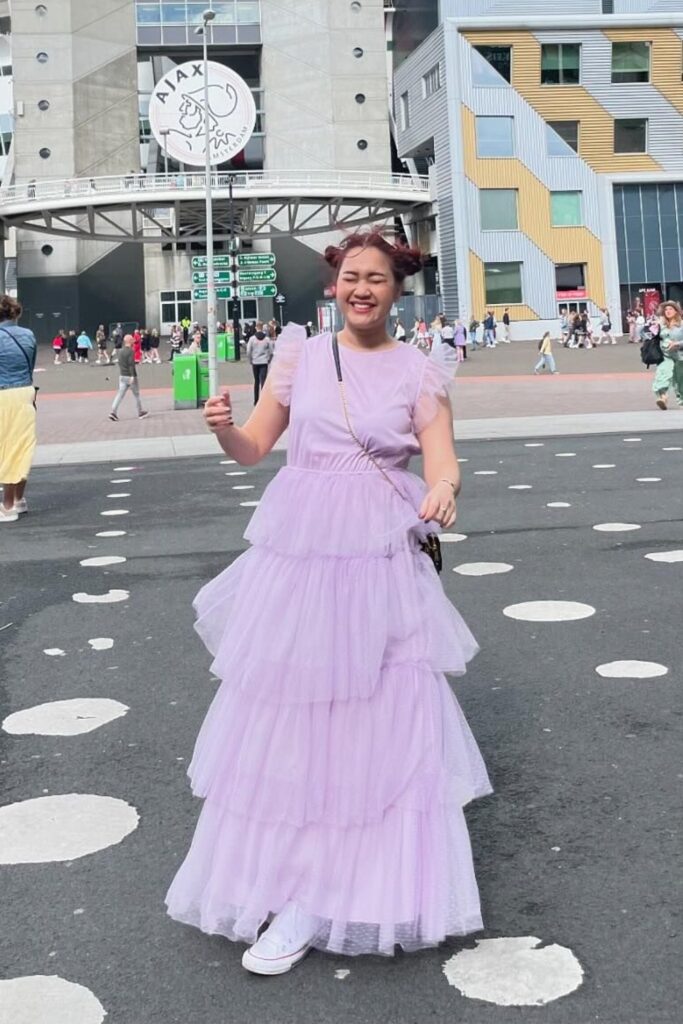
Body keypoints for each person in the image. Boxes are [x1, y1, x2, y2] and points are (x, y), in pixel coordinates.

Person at [166, 229, 492, 976]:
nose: (362, 290)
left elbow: (442, 462)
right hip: (300, 563)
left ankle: (343, 886)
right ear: (333, 284)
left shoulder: (419, 370)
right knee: (292, 723)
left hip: (378, 561)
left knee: (375, 722)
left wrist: (441, 491)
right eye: (351, 277)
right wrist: (221, 430)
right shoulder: (299, 356)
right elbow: (255, 447)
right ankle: (286, 881)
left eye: (377, 278)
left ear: (397, 289)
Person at [0, 295, 38, 523]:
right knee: (22, 446)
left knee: (6, 448)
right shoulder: (29, 335)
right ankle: (19, 499)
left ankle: (6, 505)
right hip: (26, 392)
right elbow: (30, 365)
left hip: (3, 394)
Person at [109, 334, 148, 421]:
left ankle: (113, 412)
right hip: (130, 376)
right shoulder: (131, 351)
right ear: (130, 342)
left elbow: (120, 363)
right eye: (132, 341)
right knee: (136, 395)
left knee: (120, 395)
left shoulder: (120, 351)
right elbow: (131, 365)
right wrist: (132, 376)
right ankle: (140, 412)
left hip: (122, 376)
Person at [655, 301, 683, 410]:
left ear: (676, 311)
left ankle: (681, 401)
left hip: (680, 356)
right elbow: (655, 337)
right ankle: (663, 397)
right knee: (663, 374)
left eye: (670, 309)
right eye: (666, 310)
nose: (668, 311)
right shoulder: (661, 325)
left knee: (679, 379)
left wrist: (677, 343)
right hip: (665, 355)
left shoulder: (681, 325)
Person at [246, 323, 273, 404]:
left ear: (256, 328)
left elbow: (248, 351)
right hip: (264, 362)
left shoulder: (252, 339)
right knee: (263, 381)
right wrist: (269, 359)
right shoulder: (267, 339)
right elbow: (271, 351)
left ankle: (256, 400)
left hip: (255, 362)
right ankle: (264, 401)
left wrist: (250, 359)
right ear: (262, 328)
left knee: (256, 381)